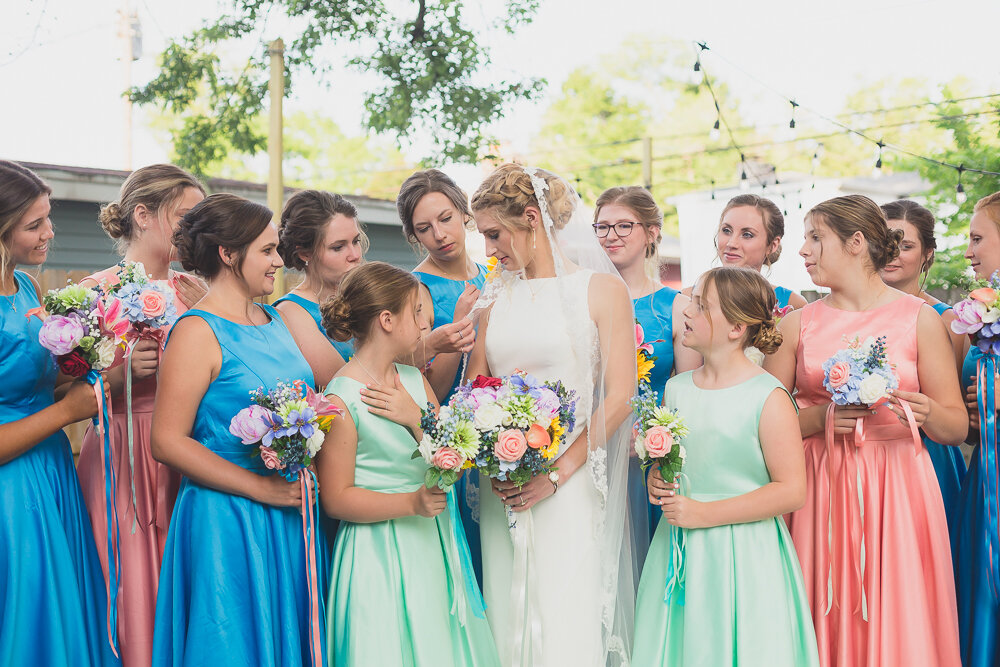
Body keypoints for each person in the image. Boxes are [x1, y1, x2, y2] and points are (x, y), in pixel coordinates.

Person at [765, 194, 965, 666]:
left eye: (816, 238)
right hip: (820, 487)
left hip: (899, 488)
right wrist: (818, 420)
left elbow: (956, 426)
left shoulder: (920, 320)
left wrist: (927, 412)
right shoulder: (797, 326)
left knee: (899, 611)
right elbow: (759, 424)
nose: (804, 251)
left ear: (855, 243)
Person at [466, 164, 635, 666]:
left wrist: (557, 474)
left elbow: (621, 393)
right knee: (508, 611)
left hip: (570, 479)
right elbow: (476, 385)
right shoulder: (493, 297)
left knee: (566, 613)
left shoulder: (600, 291)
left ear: (532, 218)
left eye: (495, 234)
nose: (490, 249)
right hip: (505, 485)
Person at [150, 194, 327, 665]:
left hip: (289, 511)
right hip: (227, 517)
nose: (278, 261)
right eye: (267, 251)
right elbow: (165, 441)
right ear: (229, 254)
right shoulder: (197, 331)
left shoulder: (275, 319)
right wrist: (259, 488)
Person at [634, 266, 818, 666]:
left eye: (700, 306)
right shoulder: (676, 388)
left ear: (736, 327)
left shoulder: (767, 396)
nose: (686, 311)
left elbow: (791, 490)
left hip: (744, 552)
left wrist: (705, 513)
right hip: (678, 549)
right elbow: (680, 462)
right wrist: (657, 477)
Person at [319, 261, 499, 666]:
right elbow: (336, 498)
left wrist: (417, 420)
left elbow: (455, 456)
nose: (427, 323)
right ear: (386, 319)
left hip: (432, 540)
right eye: (417, 312)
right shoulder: (341, 400)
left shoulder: (414, 380)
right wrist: (411, 503)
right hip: (378, 549)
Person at [76, 164, 205, 666]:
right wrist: (114, 372)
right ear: (143, 214)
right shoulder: (96, 290)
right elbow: (61, 384)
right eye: (185, 217)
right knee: (125, 573)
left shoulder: (195, 289)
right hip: (122, 446)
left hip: (185, 448)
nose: (192, 231)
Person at [0, 160, 118, 665]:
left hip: (49, 473)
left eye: (47, 218)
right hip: (10, 491)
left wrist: (95, 369)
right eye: (34, 224)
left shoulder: (26, 287)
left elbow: (35, 383)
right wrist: (68, 411)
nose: (50, 231)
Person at [594, 186, 700, 566]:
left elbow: (687, 391)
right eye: (602, 227)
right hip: (592, 449)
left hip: (648, 458)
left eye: (624, 225)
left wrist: (655, 442)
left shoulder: (676, 306)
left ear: (652, 232)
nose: (611, 236)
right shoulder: (580, 301)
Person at [397, 169, 485, 582]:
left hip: (506, 423)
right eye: (424, 228)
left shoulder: (495, 275)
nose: (439, 234)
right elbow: (426, 384)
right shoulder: (412, 288)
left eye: (446, 218)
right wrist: (456, 326)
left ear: (464, 212)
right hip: (447, 435)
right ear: (413, 236)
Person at [878, 199, 966, 532]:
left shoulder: (947, 321)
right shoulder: (847, 312)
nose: (892, 253)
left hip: (925, 456)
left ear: (927, 253)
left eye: (906, 246)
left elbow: (952, 408)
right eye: (886, 242)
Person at [953, 191, 1000, 666]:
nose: (969, 251)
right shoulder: (979, 317)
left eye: (978, 238)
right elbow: (968, 432)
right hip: (982, 479)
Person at [276, 190, 366, 388]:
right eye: (338, 247)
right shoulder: (291, 312)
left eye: (355, 242)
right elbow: (344, 387)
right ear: (305, 253)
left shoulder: (363, 296)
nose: (354, 255)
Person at [685, 194, 807, 309]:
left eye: (747, 235)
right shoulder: (685, 299)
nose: (731, 243)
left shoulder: (792, 305)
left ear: (772, 245)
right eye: (726, 230)